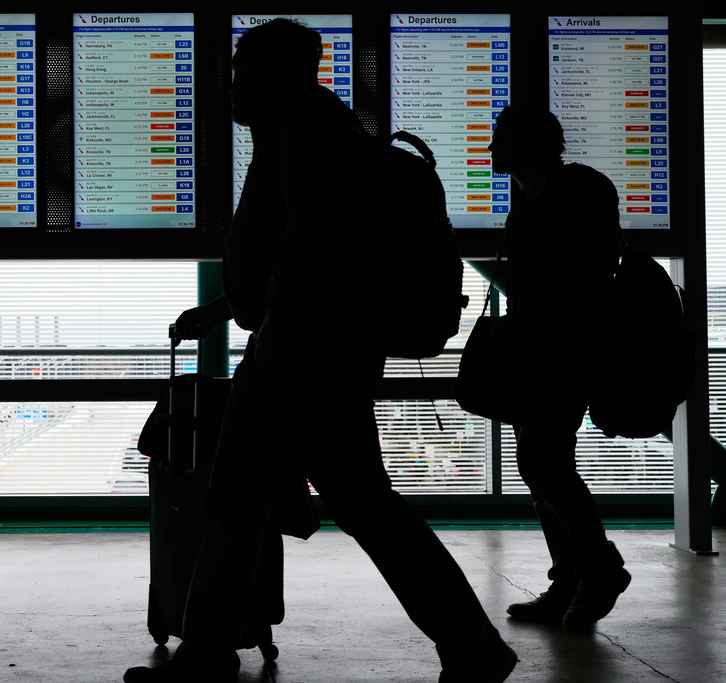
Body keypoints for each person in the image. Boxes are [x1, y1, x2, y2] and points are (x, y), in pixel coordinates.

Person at [124, 19, 516, 683]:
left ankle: (472, 645)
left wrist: (272, 320)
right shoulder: (295, 126)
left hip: (308, 352)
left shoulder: (308, 121)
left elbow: (315, 235)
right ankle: (206, 652)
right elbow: (289, 246)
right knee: (235, 499)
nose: (231, 87)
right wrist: (226, 308)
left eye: (241, 72)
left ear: (275, 72)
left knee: (359, 502)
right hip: (288, 347)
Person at [487, 105, 630, 625]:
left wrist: (531, 319)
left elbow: (595, 272)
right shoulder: (528, 198)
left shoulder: (578, 190)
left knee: (543, 461)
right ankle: (571, 578)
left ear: (530, 142)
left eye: (500, 136)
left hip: (570, 348)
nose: (490, 148)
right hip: (539, 351)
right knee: (540, 463)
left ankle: (597, 569)